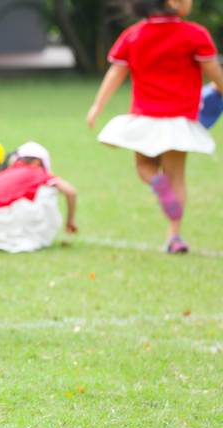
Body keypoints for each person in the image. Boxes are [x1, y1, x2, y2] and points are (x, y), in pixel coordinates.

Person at [87, 0, 223, 254]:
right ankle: (174, 237)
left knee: (144, 166)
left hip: (146, 119)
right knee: (177, 177)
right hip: (179, 122)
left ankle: (155, 180)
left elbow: (116, 73)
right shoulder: (194, 34)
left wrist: (97, 106)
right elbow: (213, 71)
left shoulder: (133, 35)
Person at [0, 142, 78, 253]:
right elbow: (71, 192)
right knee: (48, 190)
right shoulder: (38, 171)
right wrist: (70, 221)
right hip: (15, 222)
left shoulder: (1, 174)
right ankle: (38, 238)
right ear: (37, 162)